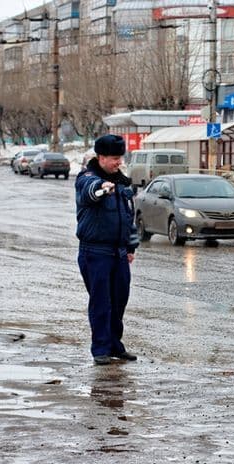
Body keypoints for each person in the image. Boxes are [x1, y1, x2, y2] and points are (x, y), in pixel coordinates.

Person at [75, 134, 140, 365]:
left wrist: (131, 246)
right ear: (101, 157)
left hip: (119, 253)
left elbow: (129, 218)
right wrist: (102, 187)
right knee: (101, 302)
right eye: (114, 158)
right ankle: (100, 349)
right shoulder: (87, 178)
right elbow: (90, 191)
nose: (118, 162)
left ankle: (115, 345)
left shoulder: (122, 183)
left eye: (120, 158)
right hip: (95, 252)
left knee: (119, 300)